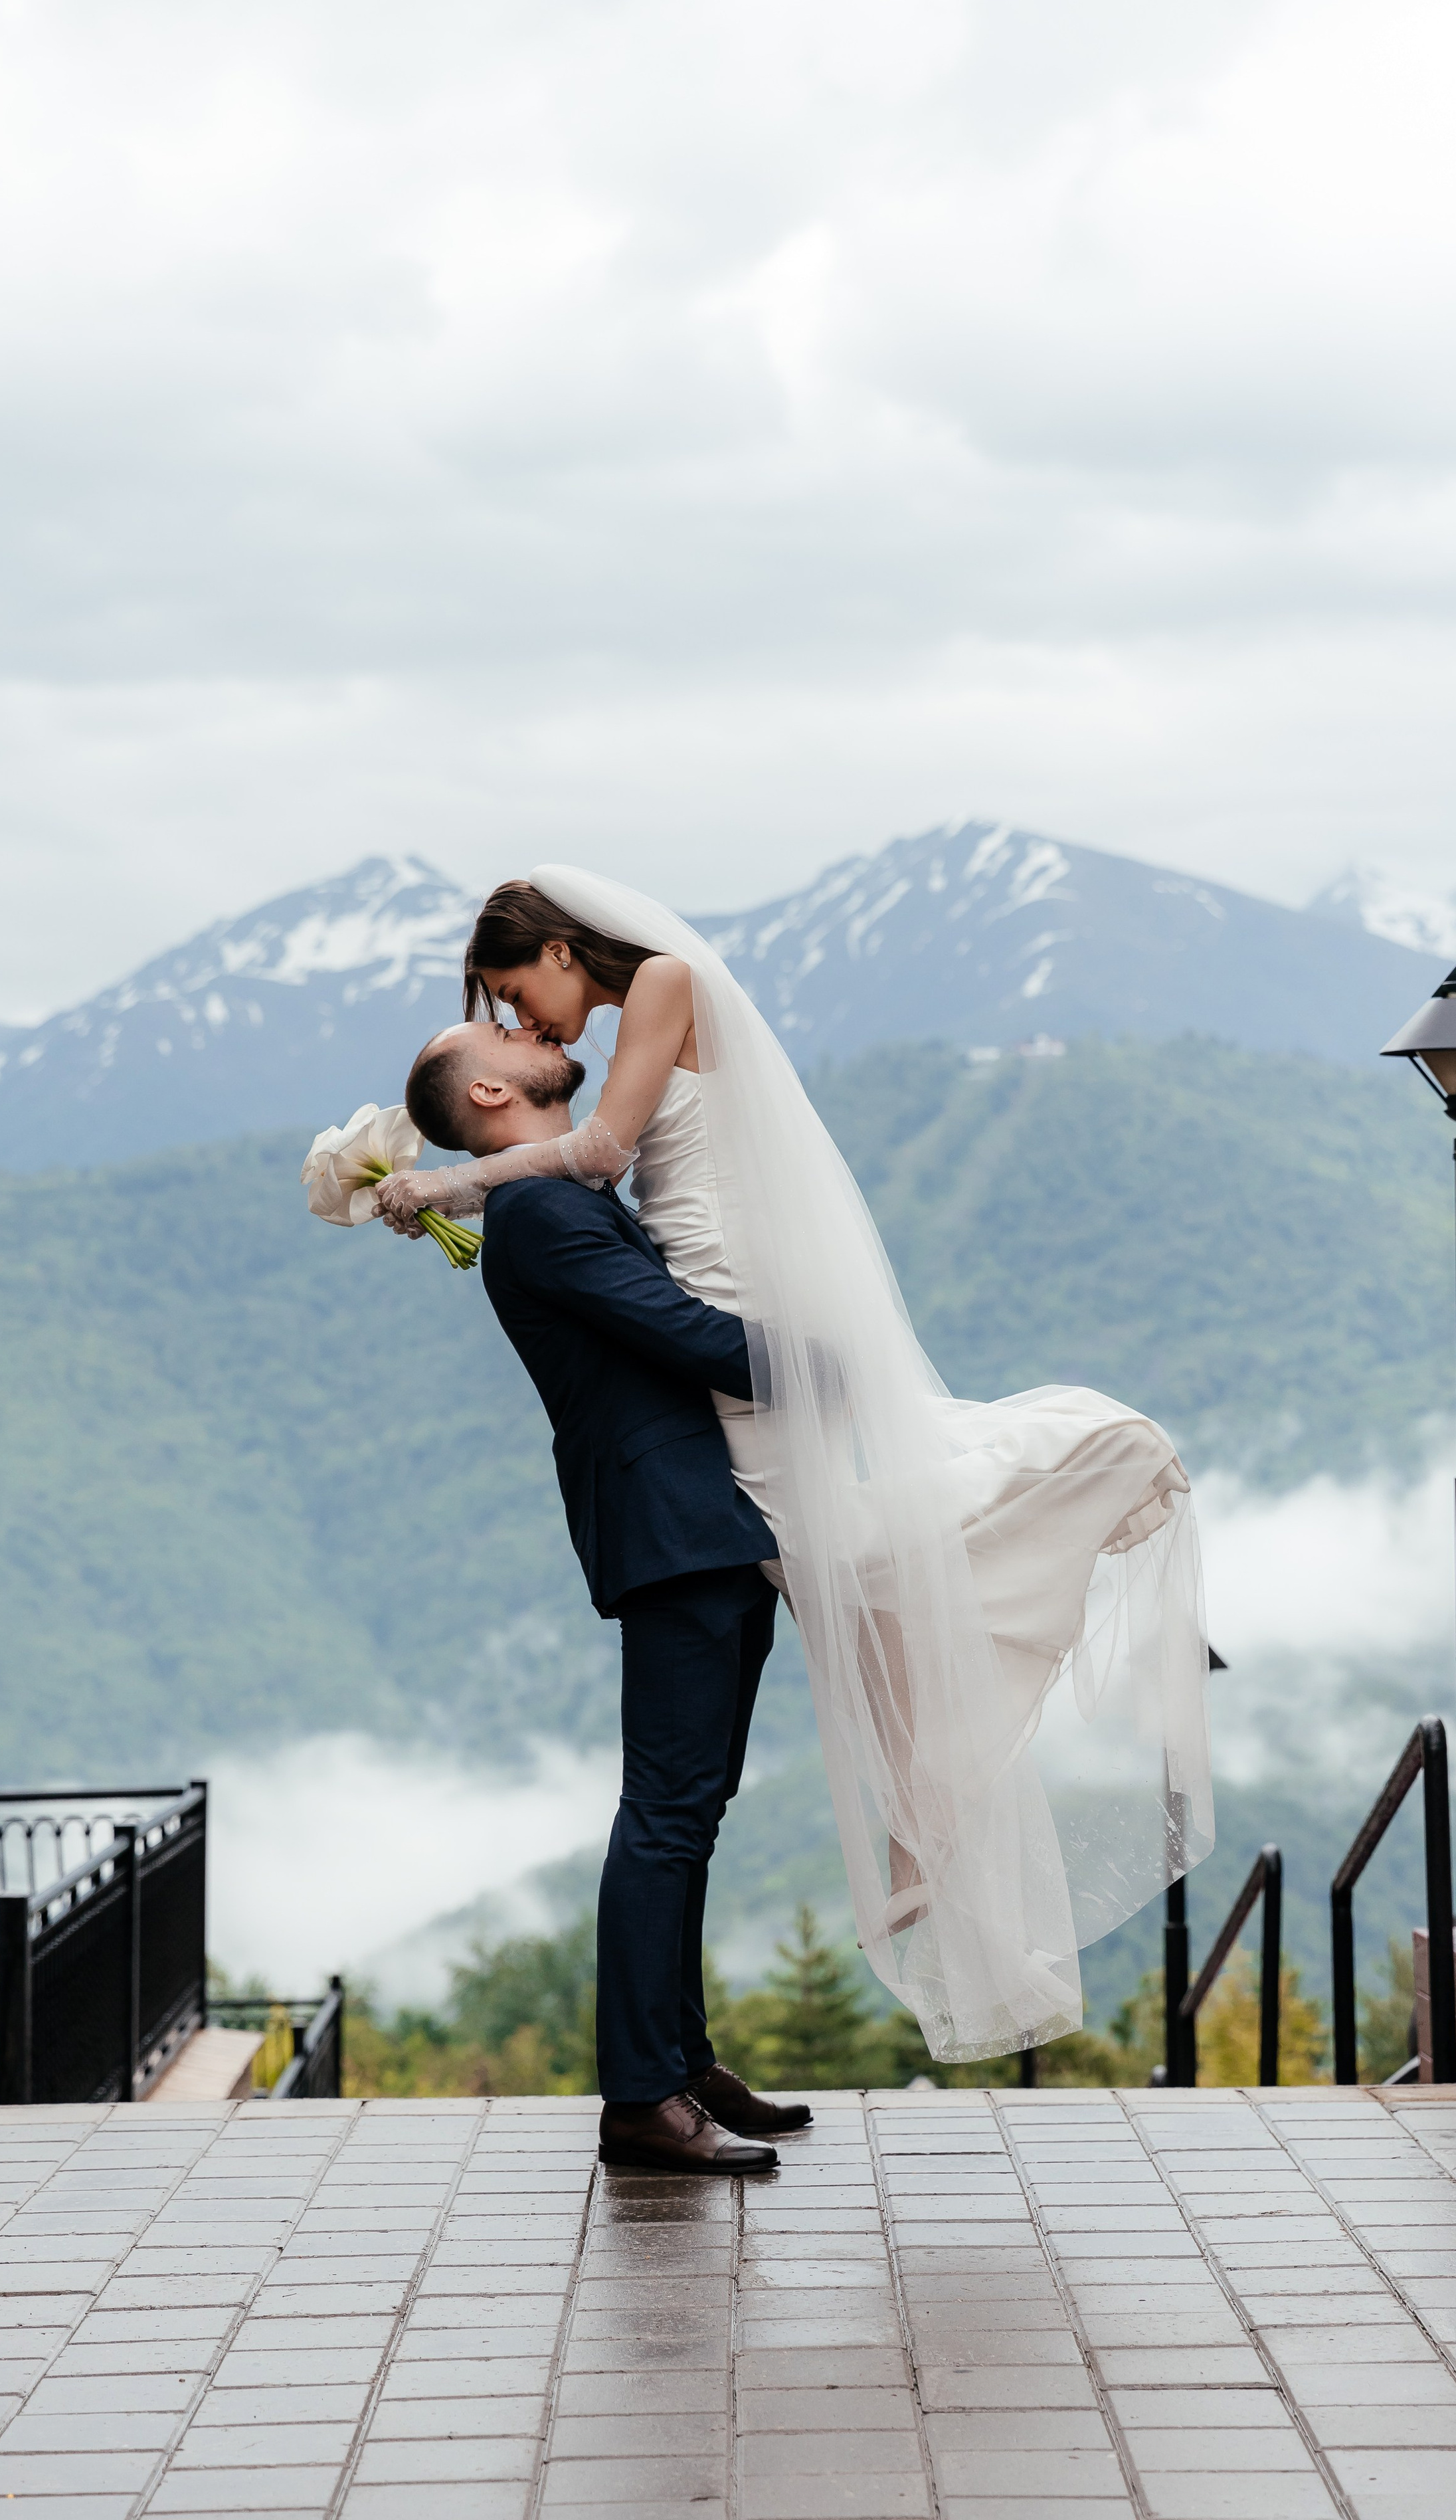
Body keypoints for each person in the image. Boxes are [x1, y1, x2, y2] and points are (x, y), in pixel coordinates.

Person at [381, 868, 1216, 2070]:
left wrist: (447, 1179)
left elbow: (607, 1151)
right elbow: (601, 1176)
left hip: (736, 1329)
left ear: (566, 947)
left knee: (856, 1567)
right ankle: (907, 1833)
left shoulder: (661, 984)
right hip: (720, 1374)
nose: (529, 1021)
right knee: (851, 1573)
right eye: (504, 1015)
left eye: (519, 990)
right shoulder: (577, 1140)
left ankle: (917, 1818)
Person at [401, 1016, 812, 2172]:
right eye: (502, 1031)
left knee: (700, 1807)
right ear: (489, 1088)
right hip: (670, 1526)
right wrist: (833, 1364)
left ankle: (680, 2060)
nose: (530, 1028)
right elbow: (677, 1332)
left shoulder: (547, 1190)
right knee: (670, 1810)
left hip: (710, 1526)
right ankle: (638, 2099)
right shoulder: (537, 1211)